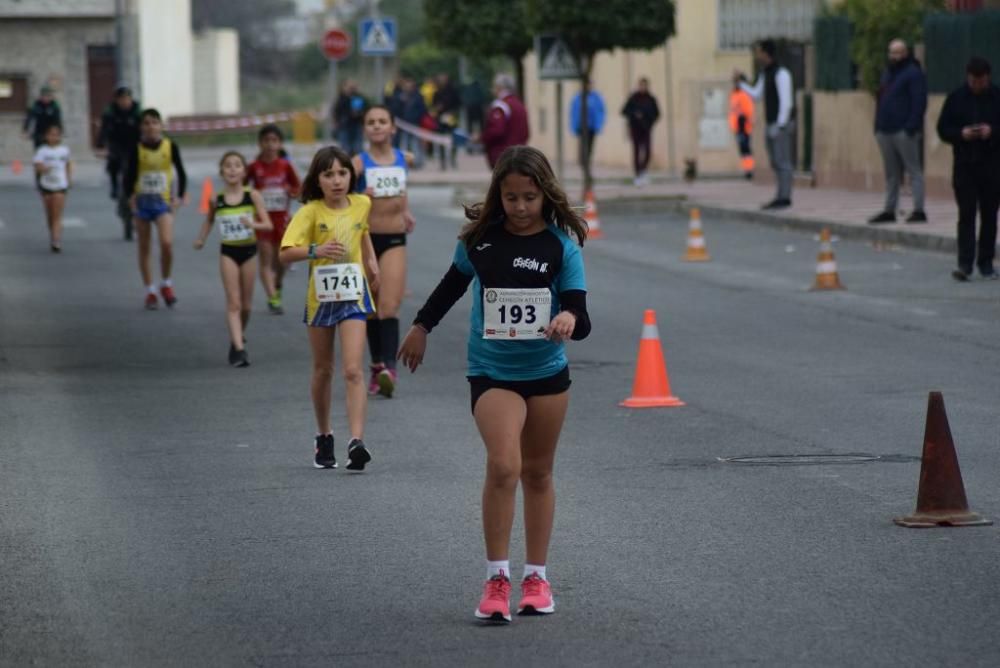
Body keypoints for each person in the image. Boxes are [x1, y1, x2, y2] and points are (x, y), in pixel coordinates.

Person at [397, 145, 592, 624]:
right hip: (492, 373)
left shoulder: (560, 247)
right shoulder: (479, 242)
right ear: (497, 196)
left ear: (545, 195)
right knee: (505, 465)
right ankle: (496, 578)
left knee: (539, 473)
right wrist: (421, 326)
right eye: (510, 198)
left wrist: (566, 316)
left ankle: (537, 578)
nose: (521, 207)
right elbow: (450, 286)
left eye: (529, 197)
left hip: (547, 373)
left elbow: (580, 314)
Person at [279, 146, 380, 471]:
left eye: (342, 173)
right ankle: (324, 435)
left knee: (353, 369)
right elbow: (285, 253)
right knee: (323, 369)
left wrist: (372, 260)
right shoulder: (310, 212)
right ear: (317, 180)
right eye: (328, 174)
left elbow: (361, 230)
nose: (337, 180)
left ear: (351, 175)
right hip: (320, 299)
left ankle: (356, 442)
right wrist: (315, 249)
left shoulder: (362, 203)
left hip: (353, 295)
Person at [351, 106, 416, 398]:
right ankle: (377, 365)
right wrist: (359, 197)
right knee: (370, 309)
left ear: (392, 127)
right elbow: (340, 197)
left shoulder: (404, 159)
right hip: (365, 240)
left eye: (382, 122)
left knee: (389, 305)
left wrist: (406, 211)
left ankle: (389, 368)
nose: (377, 126)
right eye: (371, 122)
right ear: (365, 129)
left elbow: (401, 191)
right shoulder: (358, 164)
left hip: (394, 238)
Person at [193, 152, 272, 367]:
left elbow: (268, 225)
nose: (232, 169)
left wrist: (252, 225)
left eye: (237, 165)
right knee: (234, 303)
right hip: (228, 252)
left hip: (249, 251)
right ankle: (239, 349)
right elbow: (209, 221)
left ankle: (237, 337)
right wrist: (201, 239)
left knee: (246, 306)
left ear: (244, 171)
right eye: (227, 166)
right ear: (221, 172)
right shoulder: (216, 199)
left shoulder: (252, 196)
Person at [937, 57, 1000, 282]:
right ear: (968, 77)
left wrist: (991, 131)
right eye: (973, 81)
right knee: (966, 215)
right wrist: (960, 134)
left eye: (981, 81)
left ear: (987, 78)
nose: (977, 85)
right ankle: (965, 263)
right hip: (965, 165)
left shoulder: (996, 97)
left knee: (990, 216)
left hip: (992, 166)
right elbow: (943, 128)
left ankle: (986, 263)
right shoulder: (956, 98)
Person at [123, 108, 188, 310]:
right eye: (147, 123)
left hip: (163, 202)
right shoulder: (136, 149)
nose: (151, 127)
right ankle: (150, 290)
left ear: (161, 126)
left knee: (166, 243)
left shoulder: (170, 147)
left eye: (154, 122)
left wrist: (179, 197)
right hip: (143, 203)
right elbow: (129, 177)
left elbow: (182, 173)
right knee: (144, 246)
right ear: (142, 127)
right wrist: (130, 198)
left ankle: (166, 283)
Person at [869, 39, 928, 225]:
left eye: (898, 52)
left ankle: (918, 209)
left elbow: (919, 102)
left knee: (913, 170)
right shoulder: (888, 73)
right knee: (891, 173)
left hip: (904, 130)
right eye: (892, 52)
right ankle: (889, 209)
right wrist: (877, 125)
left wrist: (910, 127)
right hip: (885, 130)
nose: (894, 56)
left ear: (905, 53)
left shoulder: (913, 73)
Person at [247, 124, 301, 314]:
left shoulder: (285, 166)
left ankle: (277, 284)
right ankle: (273, 298)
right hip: (262, 221)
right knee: (266, 259)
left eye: (274, 141)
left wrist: (290, 191)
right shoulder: (254, 167)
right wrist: (253, 195)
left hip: (282, 220)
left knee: (283, 260)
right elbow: (242, 189)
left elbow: (298, 189)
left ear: (279, 144)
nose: (270, 145)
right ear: (260, 143)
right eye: (266, 141)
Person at [736, 39, 795, 210]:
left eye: (759, 51)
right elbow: (756, 95)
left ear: (766, 53)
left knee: (783, 162)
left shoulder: (781, 74)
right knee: (775, 161)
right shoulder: (765, 73)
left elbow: (786, 102)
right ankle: (780, 194)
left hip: (779, 125)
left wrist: (781, 125)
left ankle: (785, 197)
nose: (757, 55)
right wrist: (741, 84)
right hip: (771, 124)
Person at [96, 83, 143, 240]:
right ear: (117, 100)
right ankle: (115, 186)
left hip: (134, 146)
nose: (125, 102)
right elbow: (103, 129)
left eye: (127, 98)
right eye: (121, 99)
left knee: (137, 172)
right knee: (113, 164)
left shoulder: (137, 111)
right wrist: (100, 146)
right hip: (116, 146)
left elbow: (145, 129)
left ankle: (135, 199)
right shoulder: (110, 111)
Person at [32, 124, 72, 253]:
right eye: (51, 134)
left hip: (60, 185)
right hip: (46, 185)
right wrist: (44, 169)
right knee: (49, 215)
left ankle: (56, 240)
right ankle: (53, 234)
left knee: (57, 215)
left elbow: (68, 165)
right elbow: (37, 167)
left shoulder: (64, 150)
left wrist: (69, 179)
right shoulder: (42, 151)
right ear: (46, 136)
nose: (53, 137)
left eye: (56, 134)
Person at [480, 73, 529, 169]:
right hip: (519, 154)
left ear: (499, 87)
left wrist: (482, 138)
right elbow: (526, 132)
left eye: (494, 86)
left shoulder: (501, 105)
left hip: (502, 154)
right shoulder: (519, 104)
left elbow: (496, 130)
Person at [621, 77, 661, 186]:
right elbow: (624, 111)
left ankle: (643, 170)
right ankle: (638, 174)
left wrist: (649, 120)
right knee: (636, 151)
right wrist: (634, 114)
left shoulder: (651, 99)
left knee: (647, 151)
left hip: (646, 129)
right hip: (635, 129)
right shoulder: (633, 98)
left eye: (644, 85)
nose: (642, 87)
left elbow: (657, 113)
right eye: (641, 85)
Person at [569, 81, 606, 170]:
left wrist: (599, 124)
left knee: (590, 145)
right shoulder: (578, 97)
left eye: (589, 85)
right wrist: (574, 126)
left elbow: (601, 111)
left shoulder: (596, 97)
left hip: (592, 126)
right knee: (582, 144)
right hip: (581, 126)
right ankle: (583, 162)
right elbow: (573, 112)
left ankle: (587, 162)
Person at [431, 73, 462, 169]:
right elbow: (434, 105)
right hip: (441, 119)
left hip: (451, 118)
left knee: (454, 139)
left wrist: (453, 112)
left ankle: (453, 158)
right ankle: (443, 161)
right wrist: (437, 108)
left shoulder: (453, 91)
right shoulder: (436, 93)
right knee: (441, 140)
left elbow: (459, 104)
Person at [728, 78, 755, 180]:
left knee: (746, 149)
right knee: (743, 150)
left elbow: (748, 111)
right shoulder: (734, 95)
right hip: (737, 127)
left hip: (744, 127)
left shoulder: (744, 95)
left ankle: (749, 170)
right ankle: (747, 170)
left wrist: (746, 122)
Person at [332, 79, 367, 156]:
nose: (351, 88)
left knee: (358, 148)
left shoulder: (359, 97)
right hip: (344, 126)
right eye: (349, 86)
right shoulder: (341, 98)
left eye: (353, 86)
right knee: (345, 149)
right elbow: (336, 111)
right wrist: (336, 123)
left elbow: (365, 109)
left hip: (357, 125)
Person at [398, 77, 427, 168]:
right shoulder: (401, 96)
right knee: (404, 144)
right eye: (406, 86)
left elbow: (422, 110)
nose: (407, 88)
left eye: (409, 86)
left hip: (415, 124)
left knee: (415, 144)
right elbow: (397, 109)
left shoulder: (418, 97)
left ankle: (417, 162)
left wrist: (416, 118)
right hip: (404, 124)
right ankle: (405, 162)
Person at [22, 84, 62, 149]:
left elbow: (58, 119)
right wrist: (25, 130)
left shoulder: (54, 105)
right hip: (39, 133)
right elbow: (29, 118)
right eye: (44, 96)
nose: (46, 98)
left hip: (51, 134)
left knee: (52, 151)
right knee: (39, 151)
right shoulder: (36, 105)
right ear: (41, 96)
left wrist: (59, 131)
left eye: (48, 96)